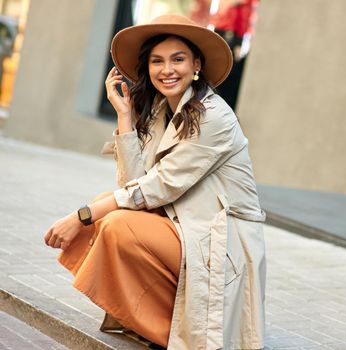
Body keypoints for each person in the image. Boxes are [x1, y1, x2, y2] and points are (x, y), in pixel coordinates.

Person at [43, 14, 266, 350]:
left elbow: (157, 188)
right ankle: (162, 327)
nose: (167, 70)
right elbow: (135, 184)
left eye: (178, 59)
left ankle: (171, 334)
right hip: (187, 226)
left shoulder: (213, 115)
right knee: (111, 211)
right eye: (157, 61)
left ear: (196, 65)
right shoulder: (164, 109)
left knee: (114, 222)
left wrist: (81, 215)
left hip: (223, 240)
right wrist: (125, 116)